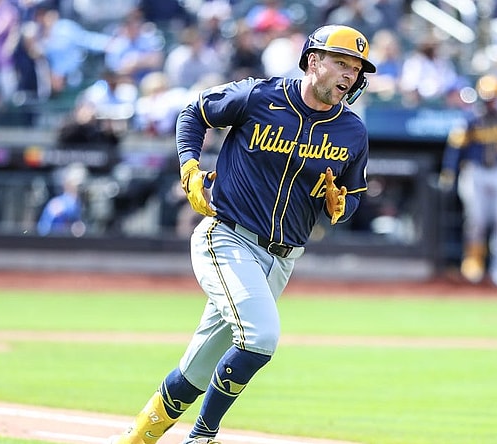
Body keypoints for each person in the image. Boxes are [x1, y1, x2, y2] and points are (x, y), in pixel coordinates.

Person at [107, 24, 375, 444]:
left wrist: (340, 207)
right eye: (341, 63)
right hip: (227, 237)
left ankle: (134, 438)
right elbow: (194, 113)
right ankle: (202, 436)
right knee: (260, 338)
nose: (349, 75)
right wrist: (189, 167)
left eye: (356, 68)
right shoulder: (260, 96)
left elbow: (353, 194)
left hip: (283, 258)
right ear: (313, 61)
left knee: (194, 372)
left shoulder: (352, 132)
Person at [439, 74, 497, 289]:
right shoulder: (470, 120)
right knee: (476, 219)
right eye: (488, 98)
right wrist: (450, 171)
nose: (491, 103)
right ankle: (473, 262)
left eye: (493, 98)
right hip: (476, 171)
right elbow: (456, 147)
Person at [36, 162, 88, 236]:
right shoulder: (57, 203)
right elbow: (43, 229)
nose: (80, 189)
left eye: (80, 186)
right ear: (67, 184)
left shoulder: (79, 203)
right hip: (55, 243)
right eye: (77, 185)